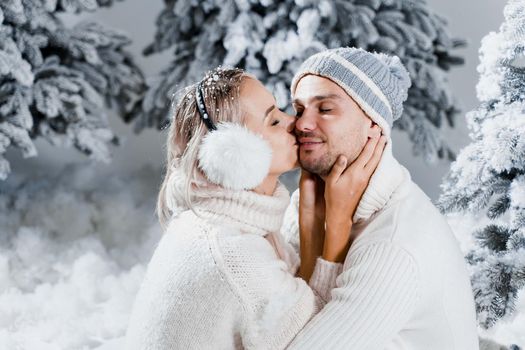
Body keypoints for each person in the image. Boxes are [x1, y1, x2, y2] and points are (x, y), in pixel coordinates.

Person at [124, 67, 386, 349]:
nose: (294, 123)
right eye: (273, 121)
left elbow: (294, 303)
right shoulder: (232, 253)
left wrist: (310, 216)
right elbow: (318, 339)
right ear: (234, 153)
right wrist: (337, 222)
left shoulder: (227, 224)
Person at [281, 47, 480, 349]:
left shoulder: (394, 243)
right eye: (299, 109)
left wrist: (334, 231)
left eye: (324, 109)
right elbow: (275, 315)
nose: (302, 124)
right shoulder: (310, 199)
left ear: (374, 126)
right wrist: (311, 228)